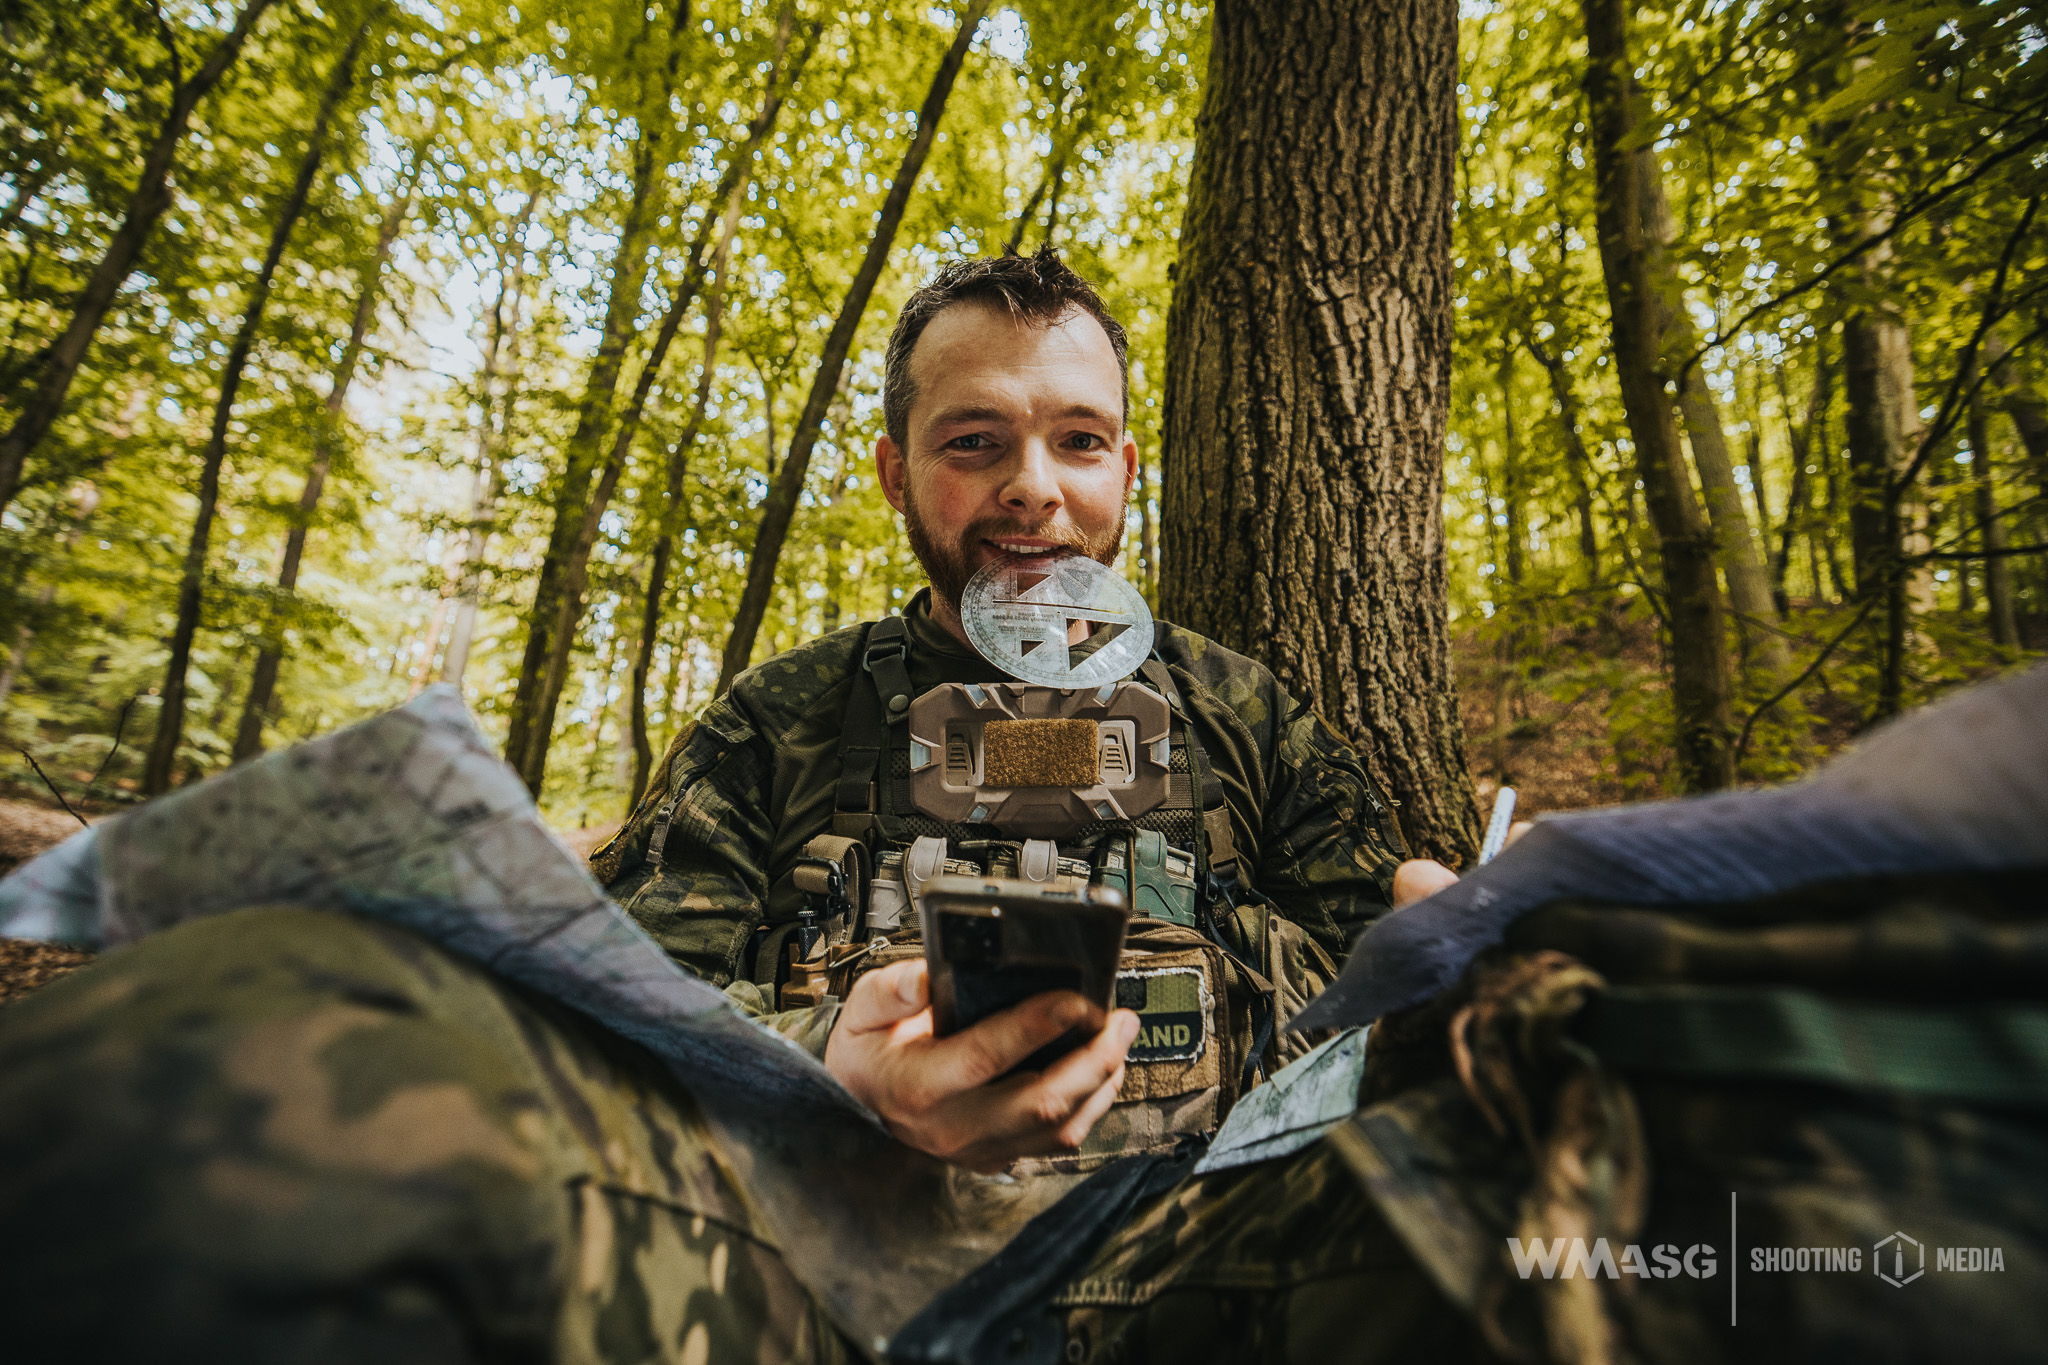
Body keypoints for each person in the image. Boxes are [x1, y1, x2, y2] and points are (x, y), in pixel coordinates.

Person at [1, 248, 1479, 1363]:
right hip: (823, 1291)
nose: (1035, 489)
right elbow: (620, 1026)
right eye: (977, 442)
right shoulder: (779, 722)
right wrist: (821, 1068)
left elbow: (1382, 1004)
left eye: (1078, 441)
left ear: (1124, 471)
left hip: (1216, 1277)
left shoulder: (1251, 713)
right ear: (897, 470)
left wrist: (1448, 964)